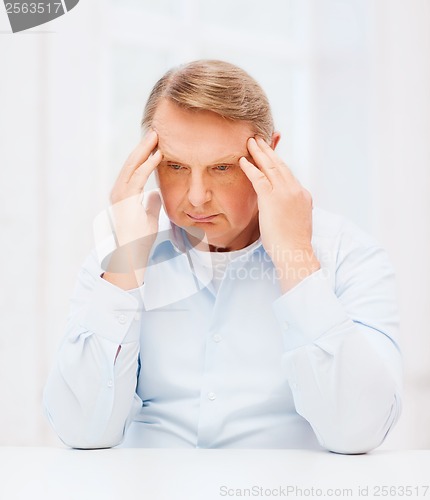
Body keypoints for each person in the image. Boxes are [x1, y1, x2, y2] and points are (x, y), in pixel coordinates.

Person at [44, 59, 402, 453]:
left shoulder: (349, 256)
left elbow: (358, 434)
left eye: (222, 167)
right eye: (176, 165)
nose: (196, 196)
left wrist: (295, 256)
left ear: (271, 155)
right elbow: (81, 432)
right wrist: (125, 266)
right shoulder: (118, 257)